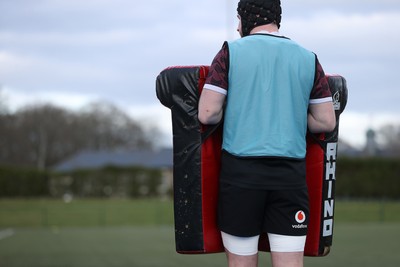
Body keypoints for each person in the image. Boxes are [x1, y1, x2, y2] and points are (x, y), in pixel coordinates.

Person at [198, 0, 336, 266]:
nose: (238, 27)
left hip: (241, 177)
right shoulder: (308, 57)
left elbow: (207, 114)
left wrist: (241, 109)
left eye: (239, 20)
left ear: (245, 17)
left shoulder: (229, 52)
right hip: (290, 179)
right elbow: (325, 121)